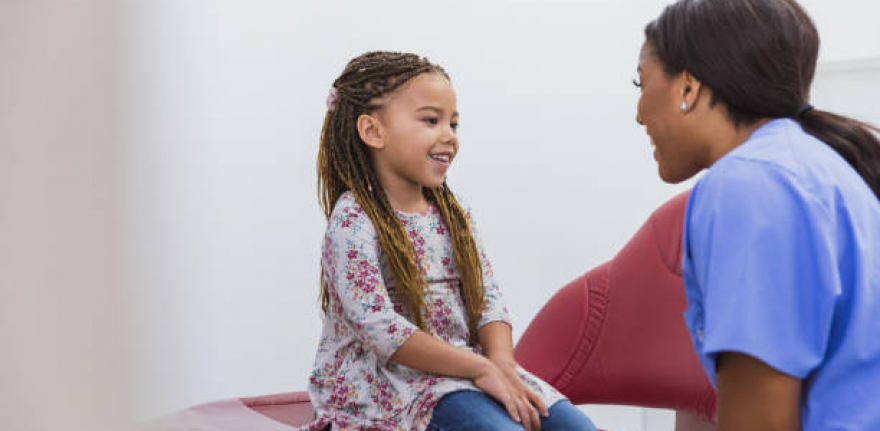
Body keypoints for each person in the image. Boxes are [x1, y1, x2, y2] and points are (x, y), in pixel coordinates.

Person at [303, 51, 597, 431]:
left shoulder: (453, 214)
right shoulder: (354, 220)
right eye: (431, 120)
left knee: (577, 428)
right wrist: (479, 367)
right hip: (391, 384)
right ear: (373, 131)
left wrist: (503, 367)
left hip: (463, 371)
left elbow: (489, 301)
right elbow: (381, 328)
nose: (449, 136)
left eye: (454, 124)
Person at [634, 0, 880, 430]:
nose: (638, 114)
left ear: (688, 88)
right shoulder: (813, 167)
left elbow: (760, 422)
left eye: (641, 84)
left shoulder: (747, 186)